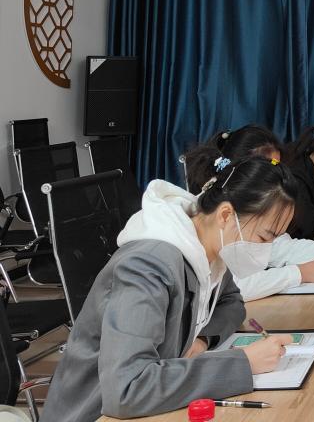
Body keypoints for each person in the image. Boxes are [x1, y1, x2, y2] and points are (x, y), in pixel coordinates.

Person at [40, 153, 298, 422]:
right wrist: (243, 364)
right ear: (225, 215)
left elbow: (231, 302)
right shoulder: (147, 267)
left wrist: (202, 340)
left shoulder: (210, 247)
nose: (265, 250)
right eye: (264, 237)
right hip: (94, 413)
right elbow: (127, 390)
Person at [184, 126, 314, 301]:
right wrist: (297, 273)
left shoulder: (240, 215)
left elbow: (279, 245)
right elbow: (233, 287)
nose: (275, 180)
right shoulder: (202, 231)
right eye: (268, 171)